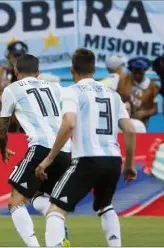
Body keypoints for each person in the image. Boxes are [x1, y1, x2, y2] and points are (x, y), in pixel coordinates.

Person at [36, 48, 137, 247]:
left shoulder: (71, 92)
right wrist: (129, 165)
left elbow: (69, 124)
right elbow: (130, 130)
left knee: (56, 208)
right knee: (105, 206)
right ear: (93, 70)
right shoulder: (113, 94)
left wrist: (48, 159)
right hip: (113, 160)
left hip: (86, 159)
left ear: (73, 70)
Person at [0, 54, 71, 247]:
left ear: (15, 72)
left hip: (41, 147)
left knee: (16, 201)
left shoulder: (11, 89)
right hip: (66, 149)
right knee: (39, 196)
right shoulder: (55, 88)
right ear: (38, 73)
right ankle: (59, 234)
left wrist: (3, 149)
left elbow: (2, 131)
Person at [116, 57, 160, 126]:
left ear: (145, 70)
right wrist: (124, 98)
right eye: (135, 72)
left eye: (140, 72)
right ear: (131, 70)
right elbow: (115, 99)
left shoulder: (152, 87)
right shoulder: (123, 81)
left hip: (141, 124)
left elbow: (155, 109)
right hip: (121, 122)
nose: (137, 75)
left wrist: (144, 113)